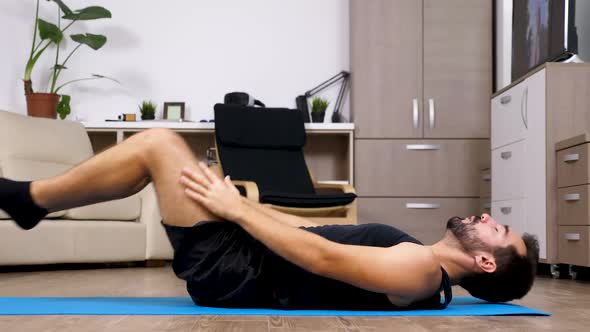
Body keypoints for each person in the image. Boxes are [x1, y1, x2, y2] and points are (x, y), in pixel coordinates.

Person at [0, 128, 539, 310]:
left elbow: (319, 256)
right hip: (242, 248)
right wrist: (243, 205)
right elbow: (310, 231)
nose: (488, 216)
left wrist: (235, 211)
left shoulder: (422, 275)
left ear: (486, 261)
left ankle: (30, 200)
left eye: (498, 229)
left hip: (230, 270)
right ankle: (32, 200)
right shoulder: (415, 256)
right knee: (165, 154)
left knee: (160, 145)